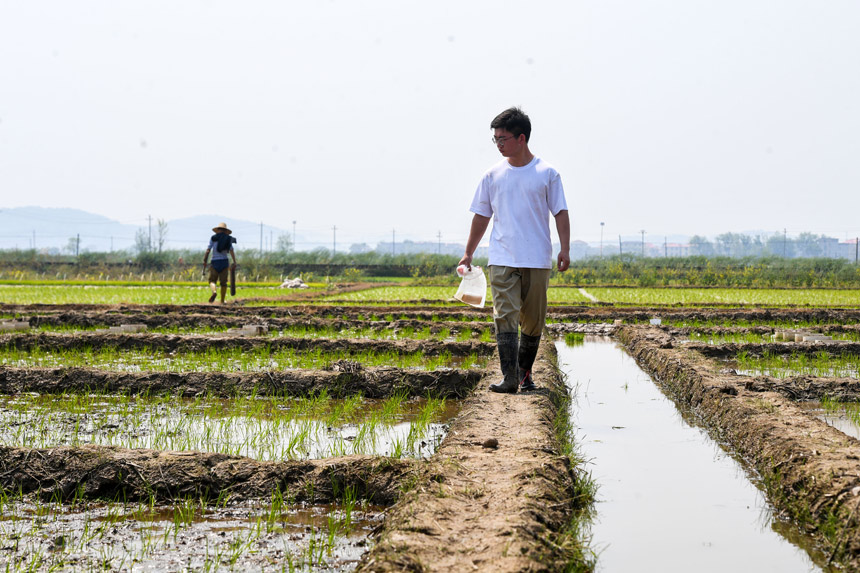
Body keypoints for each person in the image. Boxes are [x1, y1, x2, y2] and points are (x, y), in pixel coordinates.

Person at [459, 107, 570, 393]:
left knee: (533, 321)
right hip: (502, 257)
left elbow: (560, 212)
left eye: (503, 138)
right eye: (495, 139)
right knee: (504, 314)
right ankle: (509, 379)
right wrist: (469, 252)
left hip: (537, 258)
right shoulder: (492, 176)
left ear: (521, 138)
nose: (498, 144)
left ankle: (523, 373)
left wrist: (565, 249)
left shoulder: (547, 173)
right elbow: (481, 216)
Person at [203, 222, 237, 304]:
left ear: (218, 230)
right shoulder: (228, 239)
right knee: (223, 283)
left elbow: (208, 250)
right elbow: (231, 250)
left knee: (212, 281)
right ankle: (222, 301)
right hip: (224, 262)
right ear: (225, 231)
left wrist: (205, 260)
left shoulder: (213, 238)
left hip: (214, 262)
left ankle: (214, 292)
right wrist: (234, 261)